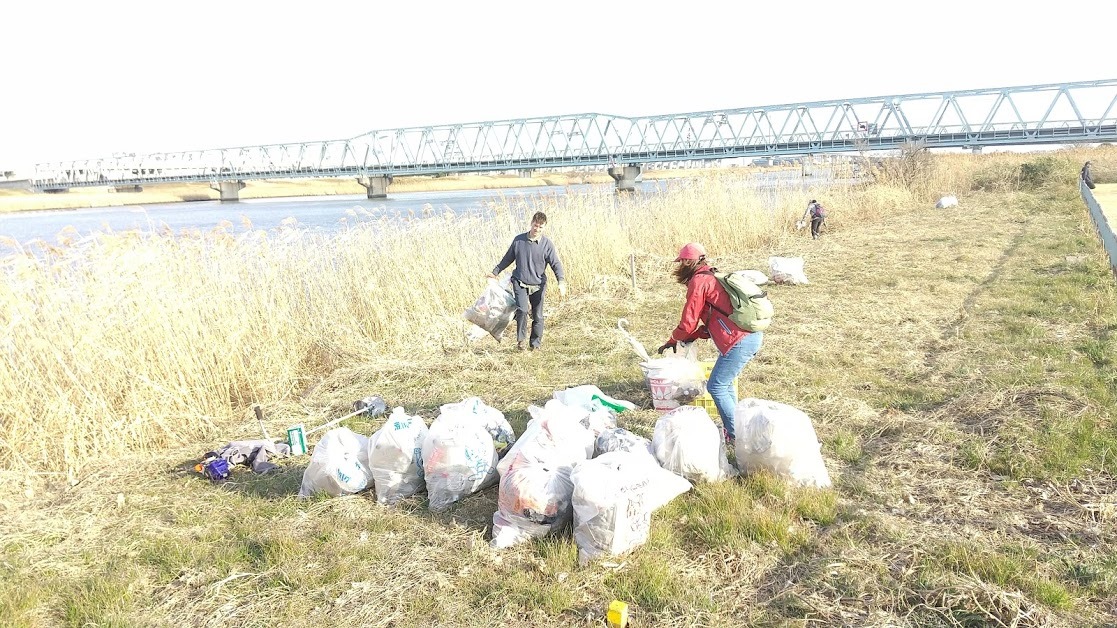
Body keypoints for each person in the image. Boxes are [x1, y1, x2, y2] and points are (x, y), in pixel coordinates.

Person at [656, 243, 763, 445]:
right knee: (726, 385)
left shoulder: (699, 282)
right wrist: (692, 336)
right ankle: (737, 429)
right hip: (744, 337)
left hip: (739, 340)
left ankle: (736, 437)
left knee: (716, 386)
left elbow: (688, 321)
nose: (679, 266)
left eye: (681, 262)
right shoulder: (711, 277)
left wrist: (673, 340)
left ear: (689, 261)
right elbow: (714, 319)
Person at [489, 211, 566, 351]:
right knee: (522, 310)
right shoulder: (519, 241)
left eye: (540, 227)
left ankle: (535, 344)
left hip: (538, 284)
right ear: (531, 224)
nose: (537, 229)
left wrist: (561, 281)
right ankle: (521, 341)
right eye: (535, 226)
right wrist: (495, 272)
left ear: (544, 227)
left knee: (538, 315)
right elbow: (507, 258)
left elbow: (556, 264)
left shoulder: (547, 245)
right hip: (520, 282)